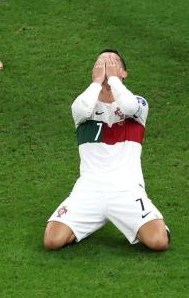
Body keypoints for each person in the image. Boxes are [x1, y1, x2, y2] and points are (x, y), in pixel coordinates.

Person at [44, 50, 170, 251]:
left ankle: (134, 220)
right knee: (52, 240)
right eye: (100, 63)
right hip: (89, 190)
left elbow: (127, 107)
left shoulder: (139, 103)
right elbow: (82, 109)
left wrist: (113, 80)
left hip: (127, 190)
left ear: (124, 73)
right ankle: (92, 220)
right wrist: (96, 83)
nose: (105, 66)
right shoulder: (84, 105)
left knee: (158, 241)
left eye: (112, 63)